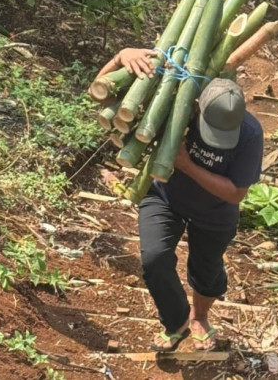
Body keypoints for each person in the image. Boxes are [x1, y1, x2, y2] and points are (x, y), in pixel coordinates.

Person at [98, 48, 264, 352]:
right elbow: (103, 98)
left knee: (207, 272)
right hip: (166, 196)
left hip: (216, 210)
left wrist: (187, 165)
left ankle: (199, 317)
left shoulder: (251, 134)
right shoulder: (176, 104)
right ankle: (176, 321)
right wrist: (121, 57)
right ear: (198, 106)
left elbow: (235, 192)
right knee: (154, 260)